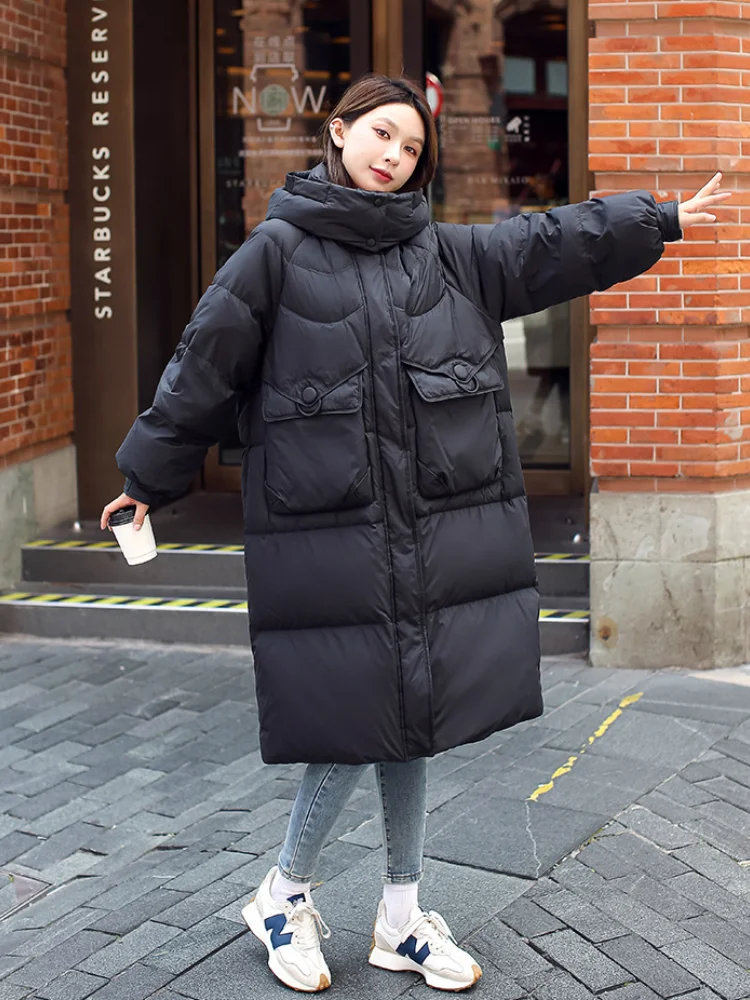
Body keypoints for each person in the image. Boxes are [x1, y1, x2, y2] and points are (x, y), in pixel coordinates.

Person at [101, 74, 730, 994]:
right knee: (361, 727)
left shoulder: (448, 257)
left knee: (412, 724)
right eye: (382, 135)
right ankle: (284, 893)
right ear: (340, 130)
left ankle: (400, 914)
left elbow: (552, 240)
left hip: (432, 532)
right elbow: (202, 366)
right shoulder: (275, 253)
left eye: (411, 147)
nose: (395, 155)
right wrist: (144, 483)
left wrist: (657, 218)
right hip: (330, 536)